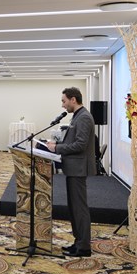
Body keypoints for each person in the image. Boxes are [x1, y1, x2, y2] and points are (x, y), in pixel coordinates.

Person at [47, 87, 96, 258]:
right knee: (74, 208)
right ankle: (79, 242)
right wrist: (57, 145)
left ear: (73, 99)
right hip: (73, 168)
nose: (63, 105)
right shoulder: (77, 116)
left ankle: (84, 247)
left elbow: (80, 145)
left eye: (64, 101)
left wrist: (57, 148)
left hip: (78, 169)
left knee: (79, 208)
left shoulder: (84, 117)